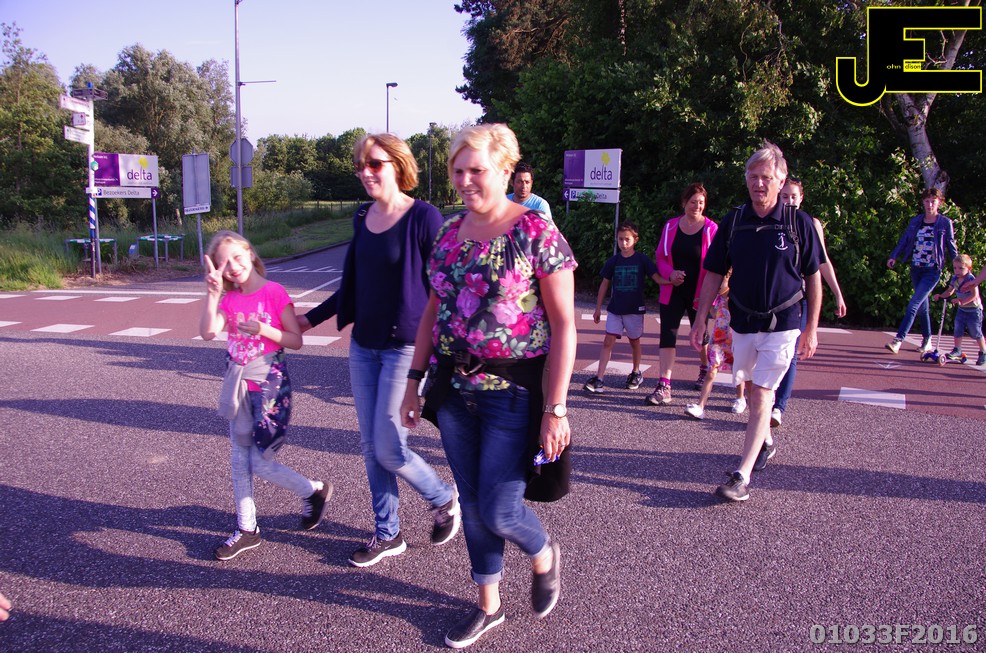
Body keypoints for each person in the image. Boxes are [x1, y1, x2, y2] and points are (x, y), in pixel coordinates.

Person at [400, 123, 577, 649]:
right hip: (455, 391)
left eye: (475, 170)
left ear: (504, 170)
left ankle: (543, 552)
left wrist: (556, 408)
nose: (464, 181)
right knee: (473, 506)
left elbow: (565, 325)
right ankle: (489, 605)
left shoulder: (535, 232)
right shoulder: (449, 234)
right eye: (458, 171)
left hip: (514, 393)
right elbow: (432, 311)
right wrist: (413, 381)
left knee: (500, 509)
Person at [298, 133, 460, 568]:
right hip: (364, 346)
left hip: (404, 347)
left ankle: (443, 498)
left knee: (389, 447)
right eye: (360, 165)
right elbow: (352, 285)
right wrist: (308, 320)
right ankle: (387, 533)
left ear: (398, 165)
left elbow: (445, 288)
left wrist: (443, 354)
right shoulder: (361, 217)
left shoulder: (424, 217)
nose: (365, 172)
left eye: (374, 163)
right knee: (372, 447)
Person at [690, 141, 823, 503]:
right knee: (749, 386)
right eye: (752, 176)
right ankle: (765, 439)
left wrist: (811, 328)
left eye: (765, 177)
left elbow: (813, 277)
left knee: (763, 392)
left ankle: (742, 476)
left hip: (784, 322)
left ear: (780, 180)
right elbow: (713, 272)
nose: (758, 183)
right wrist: (700, 319)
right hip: (743, 321)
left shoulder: (799, 224)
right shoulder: (734, 221)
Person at [199, 230, 332, 561]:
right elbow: (208, 332)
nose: (232, 267)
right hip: (238, 387)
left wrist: (264, 330)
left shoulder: (273, 292)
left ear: (250, 253)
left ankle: (312, 491)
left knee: (260, 462)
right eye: (223, 263)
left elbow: (295, 340)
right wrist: (212, 294)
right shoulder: (229, 299)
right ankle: (247, 529)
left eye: (237, 257)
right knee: (238, 459)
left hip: (270, 388)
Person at [769, 178, 847, 429]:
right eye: (785, 196)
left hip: (798, 297)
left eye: (794, 197)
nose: (789, 201)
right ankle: (765, 395)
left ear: (801, 198)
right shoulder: (769, 220)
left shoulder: (810, 224)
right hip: (772, 298)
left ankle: (779, 407)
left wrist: (837, 293)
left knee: (791, 353)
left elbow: (822, 262)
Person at [647, 182, 718, 406]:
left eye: (701, 202)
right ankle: (664, 384)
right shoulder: (670, 226)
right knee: (668, 335)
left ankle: (704, 367)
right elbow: (660, 257)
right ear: (684, 203)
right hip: (673, 290)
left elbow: (716, 263)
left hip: (700, 293)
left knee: (700, 337)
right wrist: (670, 274)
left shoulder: (711, 229)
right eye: (693, 202)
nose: (697, 206)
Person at [584, 221, 668, 394]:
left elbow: (656, 278)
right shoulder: (613, 261)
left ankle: (636, 372)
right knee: (608, 341)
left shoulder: (642, 260)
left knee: (634, 341)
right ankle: (599, 379)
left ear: (635, 240)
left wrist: (671, 281)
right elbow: (604, 284)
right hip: (615, 309)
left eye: (627, 239)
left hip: (634, 310)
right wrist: (598, 308)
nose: (623, 243)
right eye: (620, 239)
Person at [885, 187, 957, 355]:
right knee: (922, 306)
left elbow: (951, 246)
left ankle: (898, 340)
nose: (930, 205)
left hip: (933, 270)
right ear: (923, 202)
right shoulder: (916, 221)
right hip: (916, 268)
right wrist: (894, 256)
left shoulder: (945, 223)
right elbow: (905, 240)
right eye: (927, 201)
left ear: (939, 203)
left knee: (913, 304)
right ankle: (927, 340)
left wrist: (959, 270)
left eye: (933, 201)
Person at [683, 271, 748, 419]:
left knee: (738, 371)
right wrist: (703, 306)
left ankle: (740, 398)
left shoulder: (736, 298)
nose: (717, 287)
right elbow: (715, 314)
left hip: (734, 341)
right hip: (718, 342)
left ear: (729, 280)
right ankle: (700, 406)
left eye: (721, 283)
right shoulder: (717, 300)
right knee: (711, 372)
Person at [932, 254, 986, 366]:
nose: (957, 271)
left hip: (974, 310)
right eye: (955, 268)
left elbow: (974, 295)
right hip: (962, 310)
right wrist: (941, 296)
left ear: (969, 268)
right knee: (958, 328)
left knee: (975, 331)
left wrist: (961, 301)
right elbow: (950, 291)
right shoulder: (955, 279)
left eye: (961, 268)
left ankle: (983, 351)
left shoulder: (970, 279)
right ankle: (957, 349)